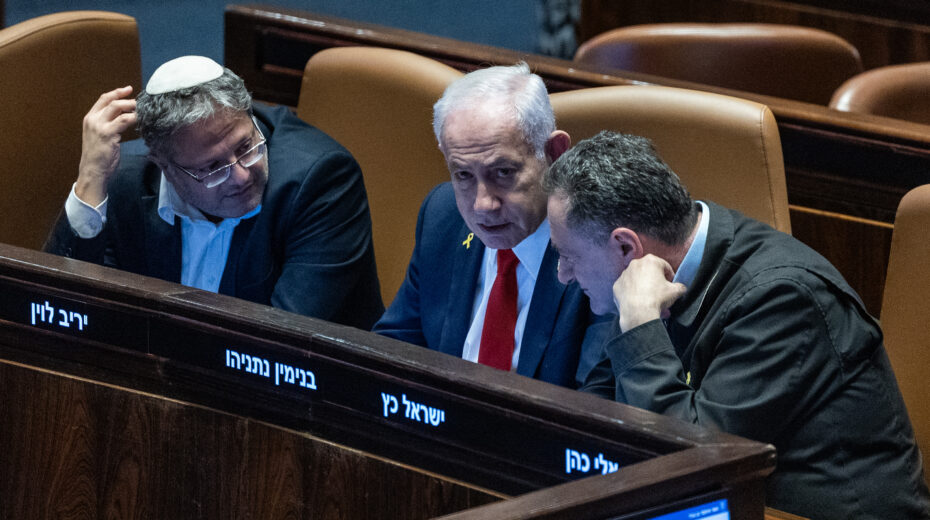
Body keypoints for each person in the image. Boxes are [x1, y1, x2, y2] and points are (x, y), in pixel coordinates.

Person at [544, 130, 930, 519]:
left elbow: (690, 464)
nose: (563, 275)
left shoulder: (782, 298)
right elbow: (596, 410)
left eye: (569, 256)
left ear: (626, 247)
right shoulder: (646, 274)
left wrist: (643, 325)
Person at [45, 56, 383, 329]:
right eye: (211, 168)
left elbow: (285, 343)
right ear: (163, 164)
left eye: (246, 146)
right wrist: (90, 180)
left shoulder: (320, 181)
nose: (239, 176)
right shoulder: (127, 185)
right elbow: (63, 314)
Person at [373, 63, 608, 388]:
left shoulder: (600, 247)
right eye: (464, 175)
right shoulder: (443, 217)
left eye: (503, 172)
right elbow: (392, 350)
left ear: (556, 154)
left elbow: (598, 401)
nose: (483, 205)